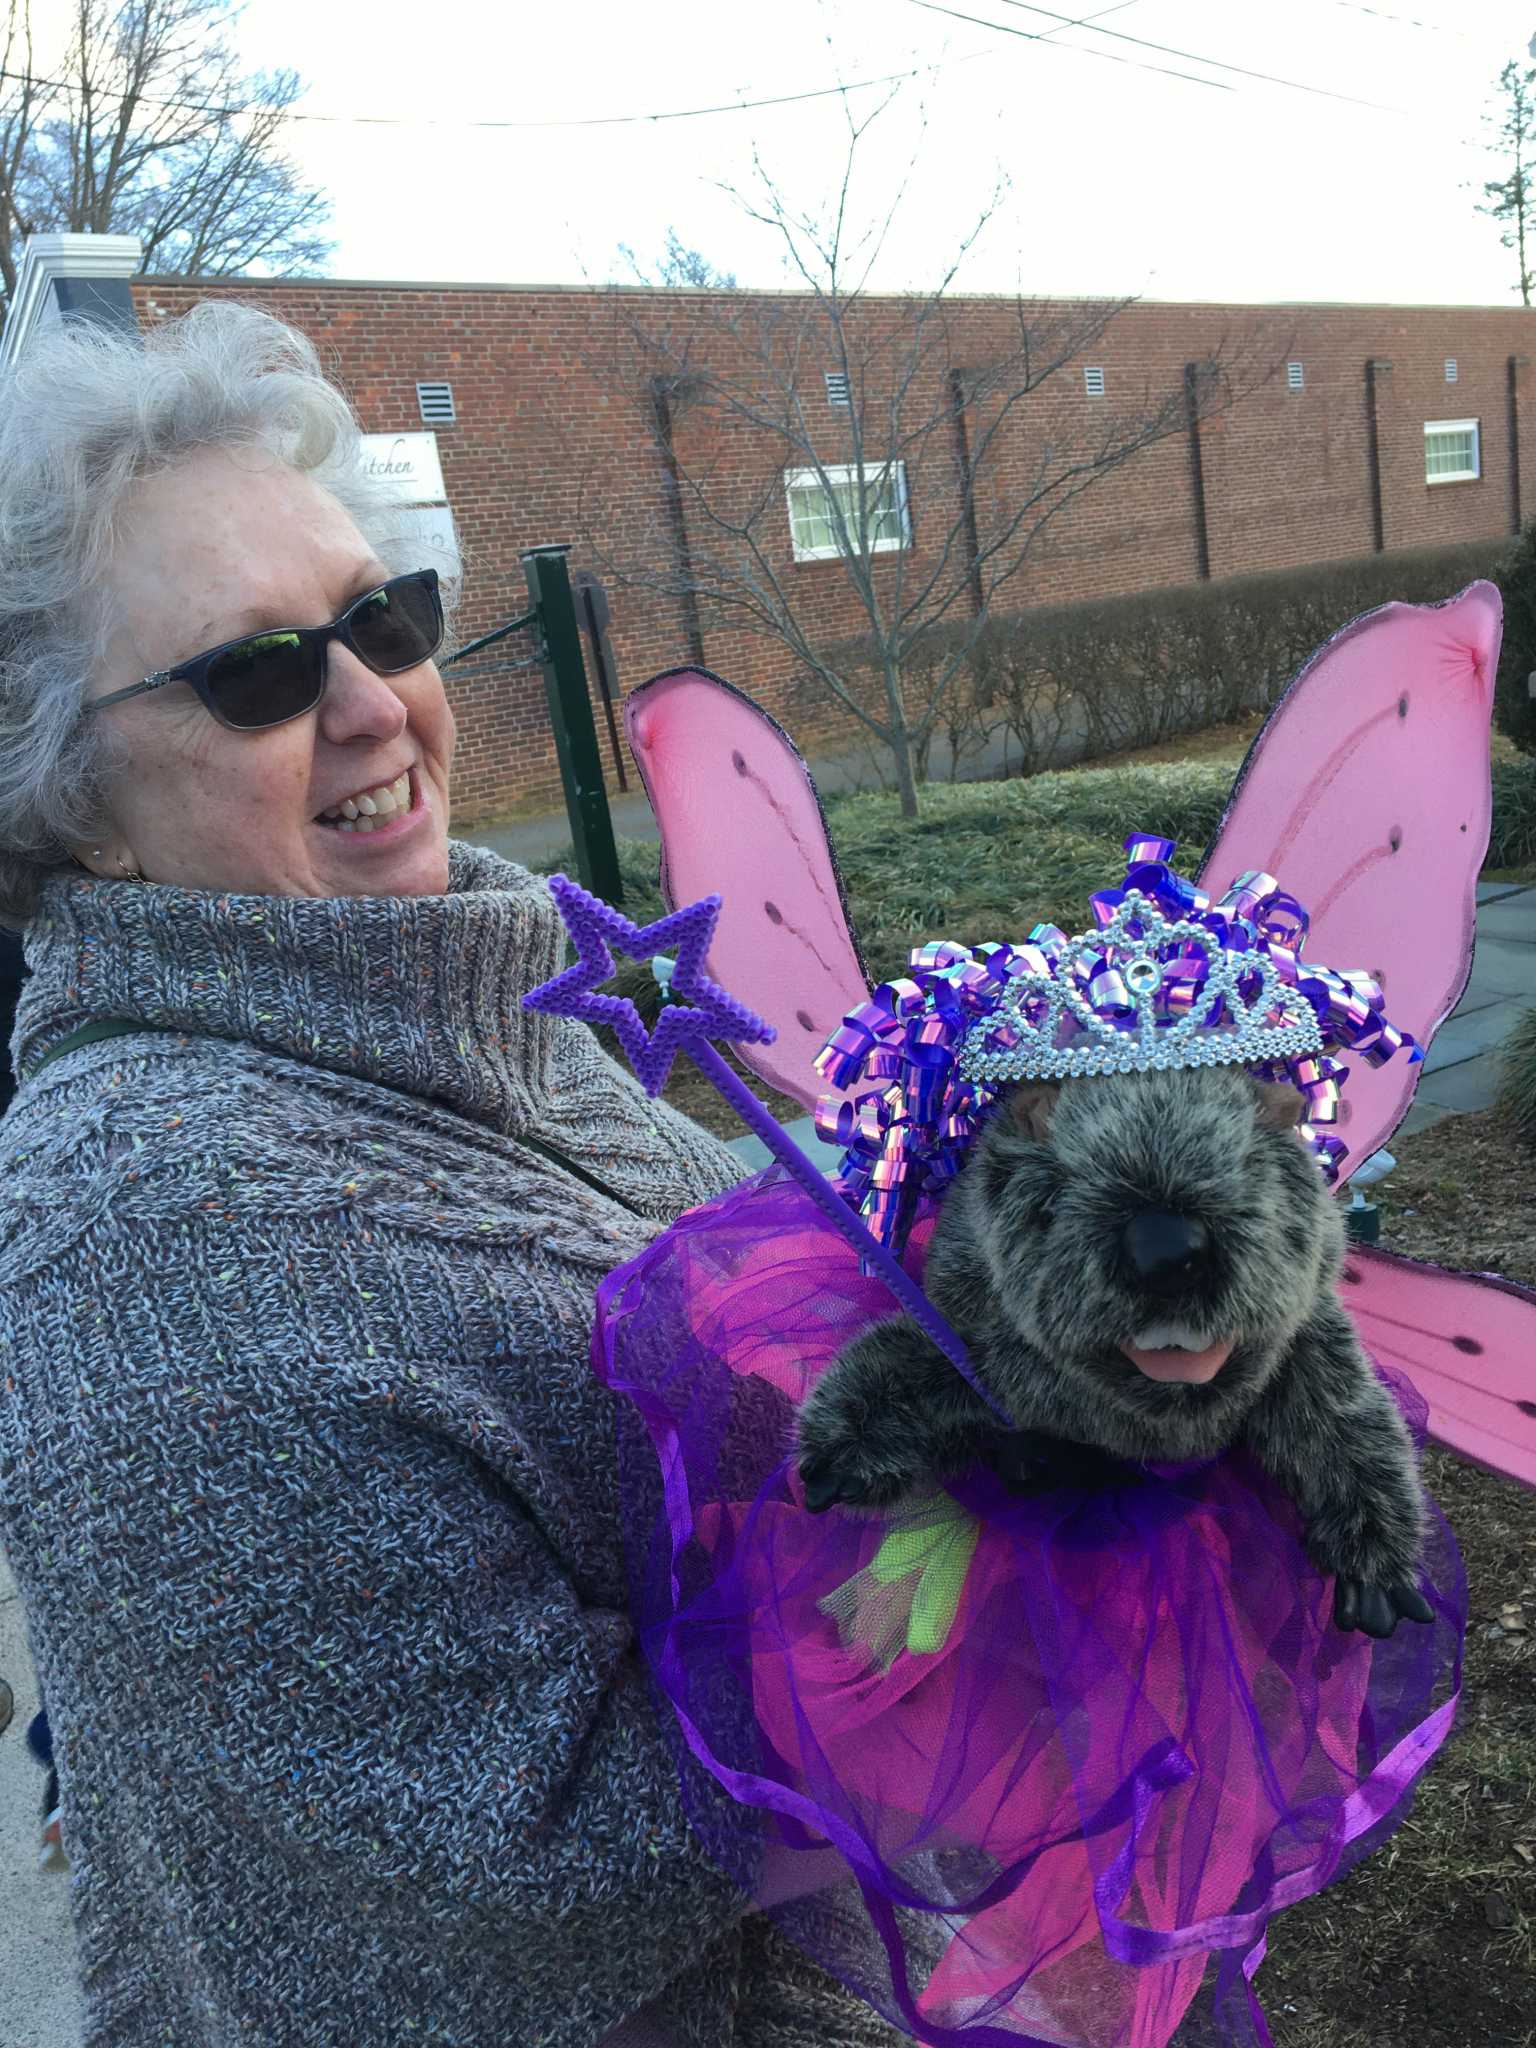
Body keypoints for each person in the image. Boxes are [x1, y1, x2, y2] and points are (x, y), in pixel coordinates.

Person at [0, 304, 895, 2047]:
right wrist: (1011, 1619)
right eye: (254, 671)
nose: (370, 701)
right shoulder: (144, 1238)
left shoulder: (478, 993)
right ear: (71, 793)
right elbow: (501, 1851)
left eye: (381, 617)